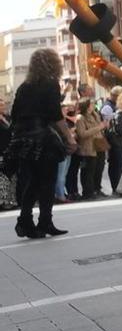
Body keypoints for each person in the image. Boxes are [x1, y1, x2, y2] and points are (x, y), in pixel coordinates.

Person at [10, 51, 69, 239]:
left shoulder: (23, 87)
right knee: (47, 181)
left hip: (23, 139)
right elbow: (56, 115)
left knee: (32, 181)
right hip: (42, 138)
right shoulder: (51, 84)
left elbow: (14, 114)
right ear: (53, 64)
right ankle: (45, 222)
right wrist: (69, 137)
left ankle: (25, 221)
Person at [72, 94, 108, 199]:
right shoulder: (80, 118)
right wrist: (98, 128)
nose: (93, 106)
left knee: (98, 169)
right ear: (86, 106)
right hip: (88, 147)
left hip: (98, 145)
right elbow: (82, 134)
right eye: (91, 104)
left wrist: (103, 127)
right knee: (88, 171)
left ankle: (97, 189)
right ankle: (88, 192)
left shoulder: (95, 115)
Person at [104, 86, 122, 194]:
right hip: (119, 145)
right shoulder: (121, 115)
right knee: (120, 166)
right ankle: (120, 189)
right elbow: (120, 130)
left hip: (121, 144)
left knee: (121, 166)